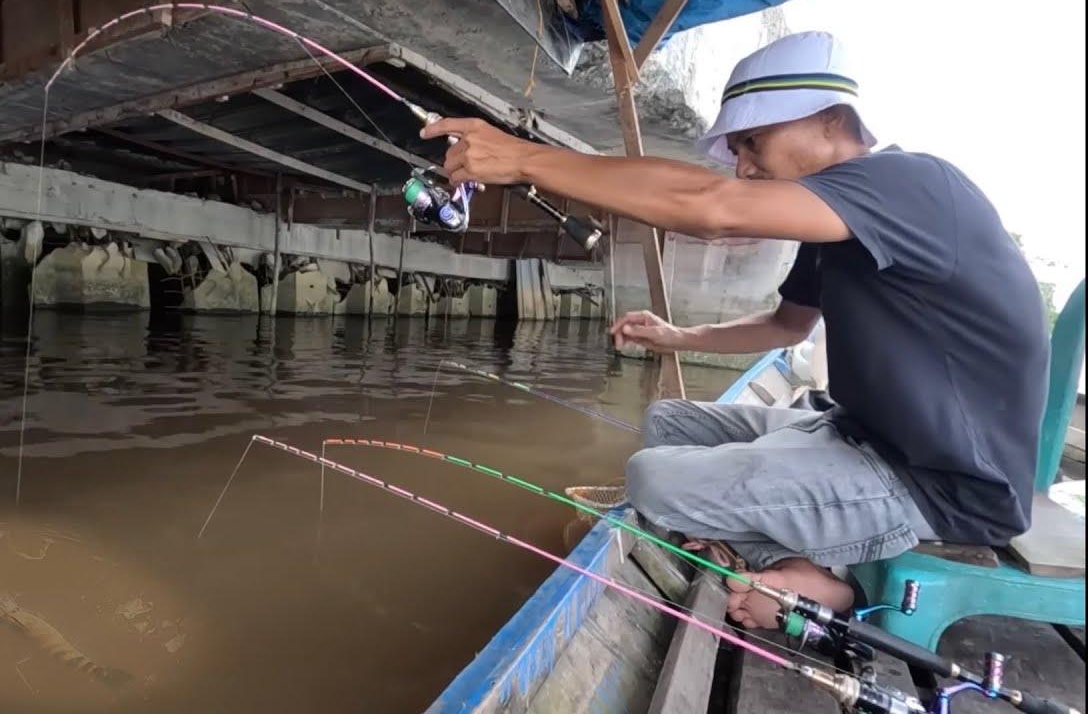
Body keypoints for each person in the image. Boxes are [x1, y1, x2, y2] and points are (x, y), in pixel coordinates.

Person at [419, 31, 1051, 629]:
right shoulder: (835, 224)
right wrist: (676, 337)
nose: (744, 168)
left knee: (653, 478)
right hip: (857, 434)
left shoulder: (913, 183)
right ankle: (785, 549)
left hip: (937, 484)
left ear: (831, 119)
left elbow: (713, 208)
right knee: (669, 423)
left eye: (752, 143)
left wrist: (525, 158)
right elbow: (786, 325)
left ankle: (819, 582)